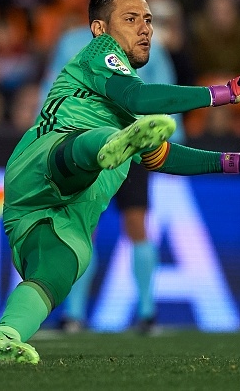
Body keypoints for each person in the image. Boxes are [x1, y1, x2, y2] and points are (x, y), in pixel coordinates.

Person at [0, 0, 240, 364]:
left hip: (61, 211)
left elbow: (165, 156)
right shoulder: (99, 53)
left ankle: (4, 334)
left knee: (56, 271)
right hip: (45, 160)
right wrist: (226, 91)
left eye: (149, 19)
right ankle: (106, 147)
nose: (145, 28)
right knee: (96, 139)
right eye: (131, 19)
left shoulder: (132, 104)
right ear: (100, 28)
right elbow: (139, 97)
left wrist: (236, 161)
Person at [40, 25, 182, 335]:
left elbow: (164, 89)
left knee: (136, 225)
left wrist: (171, 143)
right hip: (85, 145)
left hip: (132, 146)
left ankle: (146, 312)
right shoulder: (71, 41)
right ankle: (74, 314)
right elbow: (53, 86)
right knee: (83, 227)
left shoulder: (147, 46)